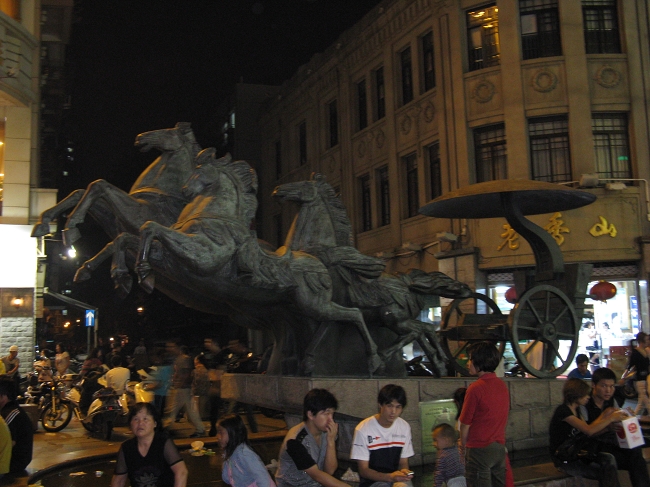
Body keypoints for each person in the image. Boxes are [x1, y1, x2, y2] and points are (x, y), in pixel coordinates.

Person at [549, 378, 624, 487]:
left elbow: (589, 430)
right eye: (585, 395)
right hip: (565, 458)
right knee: (603, 472)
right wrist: (610, 418)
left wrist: (607, 428)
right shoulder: (563, 411)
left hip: (577, 453)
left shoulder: (577, 410)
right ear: (576, 394)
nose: (588, 397)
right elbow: (588, 430)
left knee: (608, 459)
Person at [582, 367, 650, 487]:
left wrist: (627, 416)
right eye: (604, 386)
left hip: (611, 442)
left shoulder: (611, 401)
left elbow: (619, 420)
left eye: (612, 386)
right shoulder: (584, 403)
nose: (608, 390)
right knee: (632, 459)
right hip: (592, 447)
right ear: (593, 385)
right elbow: (585, 432)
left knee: (635, 452)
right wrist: (607, 426)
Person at [459, 341, 509, 487]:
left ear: (479, 361)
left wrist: (462, 445)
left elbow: (465, 423)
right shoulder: (502, 385)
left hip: (479, 450)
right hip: (499, 448)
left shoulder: (475, 388)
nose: (468, 363)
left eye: (470, 359)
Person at [275, 388, 349, 487]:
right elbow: (316, 475)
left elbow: (329, 471)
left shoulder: (326, 432)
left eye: (332, 413)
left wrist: (331, 441)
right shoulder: (295, 440)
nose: (331, 419)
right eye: (326, 414)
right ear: (310, 414)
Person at [350, 384, 414, 487]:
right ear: (380, 405)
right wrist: (390, 477)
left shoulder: (404, 427)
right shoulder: (363, 429)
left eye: (398, 407)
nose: (393, 412)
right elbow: (363, 470)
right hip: (372, 482)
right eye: (389, 406)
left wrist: (404, 473)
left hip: (396, 479)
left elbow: (403, 462)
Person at [111, 402, 188, 487]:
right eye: (136, 419)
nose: (140, 423)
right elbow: (119, 480)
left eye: (145, 419)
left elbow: (181, 472)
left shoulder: (164, 443)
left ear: (155, 423)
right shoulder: (126, 448)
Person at [217, 413, 275, 487]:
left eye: (221, 432)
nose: (218, 436)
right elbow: (227, 478)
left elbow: (262, 476)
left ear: (233, 433)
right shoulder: (230, 452)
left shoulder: (244, 454)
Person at [163, 342, 205, 437]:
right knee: (190, 409)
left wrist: (179, 384)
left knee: (173, 409)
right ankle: (200, 429)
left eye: (171, 347)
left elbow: (186, 373)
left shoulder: (184, 359)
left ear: (178, 348)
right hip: (183, 388)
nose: (168, 349)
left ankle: (166, 426)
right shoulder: (180, 358)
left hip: (182, 388)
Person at [0, 377, 33, 474]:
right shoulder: (9, 410)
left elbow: (9, 443)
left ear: (4, 395)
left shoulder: (11, 414)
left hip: (14, 463)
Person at [432, 423, 465, 487]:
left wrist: (436, 485)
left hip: (453, 483)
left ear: (446, 440)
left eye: (435, 440)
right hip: (465, 480)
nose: (434, 444)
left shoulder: (442, 455)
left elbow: (439, 474)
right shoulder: (459, 449)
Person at [626, 333, 650, 415]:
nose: (648, 341)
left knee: (641, 404)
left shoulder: (646, 351)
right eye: (646, 340)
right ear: (642, 341)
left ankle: (633, 417)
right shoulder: (635, 353)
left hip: (646, 379)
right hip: (639, 380)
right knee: (646, 401)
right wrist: (624, 377)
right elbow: (629, 366)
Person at [192, 354, 210, 421]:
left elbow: (193, 383)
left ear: (197, 361)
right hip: (206, 392)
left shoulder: (195, 371)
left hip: (196, 393)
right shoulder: (207, 370)